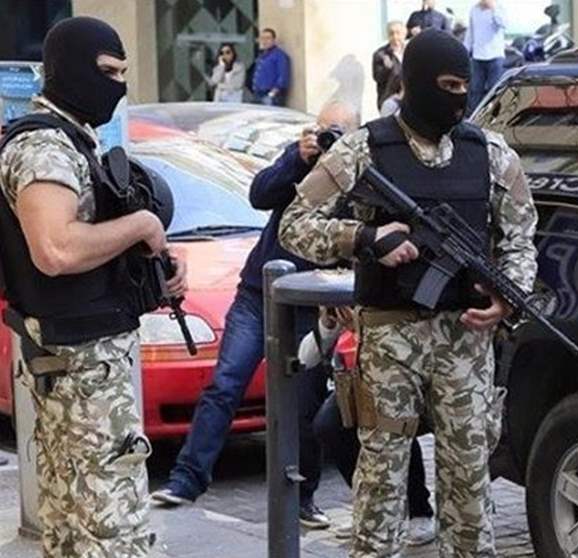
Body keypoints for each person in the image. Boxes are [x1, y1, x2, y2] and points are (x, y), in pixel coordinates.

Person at [279, 29, 537, 557]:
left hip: (465, 341)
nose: (459, 98)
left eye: (465, 86)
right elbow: (295, 225)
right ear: (416, 83)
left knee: (470, 484)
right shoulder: (364, 148)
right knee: (381, 482)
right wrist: (365, 238)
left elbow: (520, 238)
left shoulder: (489, 153)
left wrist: (509, 294)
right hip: (389, 338)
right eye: (448, 86)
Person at [0, 17, 188, 557]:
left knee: (72, 534)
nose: (119, 85)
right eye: (108, 71)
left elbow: (87, 247)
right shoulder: (45, 147)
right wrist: (142, 225)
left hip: (80, 367)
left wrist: (151, 267)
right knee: (113, 537)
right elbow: (56, 249)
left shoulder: (70, 140)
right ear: (69, 69)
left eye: (125, 72)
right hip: (84, 373)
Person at [150, 100, 360, 529]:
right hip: (258, 294)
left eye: (336, 132)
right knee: (226, 383)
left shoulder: (358, 175)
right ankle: (186, 481)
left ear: (355, 135)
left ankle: (301, 498)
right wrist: (296, 159)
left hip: (310, 304)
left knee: (304, 403)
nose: (327, 139)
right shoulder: (298, 161)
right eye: (322, 129)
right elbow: (259, 194)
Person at [297, 306, 438, 546]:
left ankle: (419, 511)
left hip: (406, 367)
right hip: (360, 374)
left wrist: (365, 325)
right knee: (328, 426)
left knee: (397, 423)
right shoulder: (343, 296)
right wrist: (329, 324)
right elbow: (307, 358)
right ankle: (369, 508)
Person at [465, 0, 507, 112]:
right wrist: (465, 50)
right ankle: (474, 116)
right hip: (478, 56)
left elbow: (503, 24)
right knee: (475, 90)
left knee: (494, 90)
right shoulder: (474, 9)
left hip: (495, 56)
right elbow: (470, 33)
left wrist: (493, 8)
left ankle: (493, 116)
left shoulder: (499, 7)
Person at [251, 28, 290, 106]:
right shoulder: (262, 55)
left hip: (271, 95)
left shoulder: (279, 55)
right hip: (258, 93)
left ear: (274, 40)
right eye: (262, 38)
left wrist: (271, 94)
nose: (265, 41)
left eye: (268, 38)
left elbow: (282, 77)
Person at [373, 22, 405, 110]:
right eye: (391, 33)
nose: (395, 37)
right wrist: (387, 68)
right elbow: (378, 78)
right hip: (389, 100)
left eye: (398, 33)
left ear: (404, 34)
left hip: (408, 99)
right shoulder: (381, 54)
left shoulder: (410, 51)